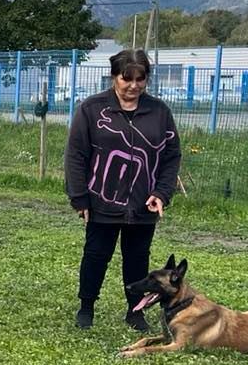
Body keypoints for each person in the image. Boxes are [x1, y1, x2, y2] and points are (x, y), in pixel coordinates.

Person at [65, 48, 182, 330]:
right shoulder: (92, 110)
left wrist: (161, 193)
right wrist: (80, 197)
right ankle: (86, 307)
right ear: (114, 77)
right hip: (101, 201)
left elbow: (171, 155)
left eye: (140, 79)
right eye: (125, 78)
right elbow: (76, 155)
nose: (133, 86)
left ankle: (135, 310)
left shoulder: (159, 112)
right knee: (95, 255)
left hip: (143, 204)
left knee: (137, 258)